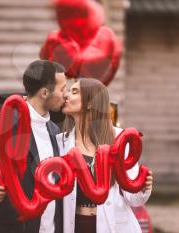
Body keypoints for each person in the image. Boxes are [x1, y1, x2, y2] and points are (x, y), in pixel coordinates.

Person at [0, 60, 67, 233]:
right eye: (62, 89)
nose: (65, 95)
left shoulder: (54, 129)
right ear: (45, 92)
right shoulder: (2, 122)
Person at [56, 78, 153, 233]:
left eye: (74, 91)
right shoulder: (60, 142)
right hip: (76, 225)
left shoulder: (120, 139)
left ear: (89, 103)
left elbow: (135, 200)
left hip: (114, 226)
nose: (66, 95)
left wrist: (143, 186)